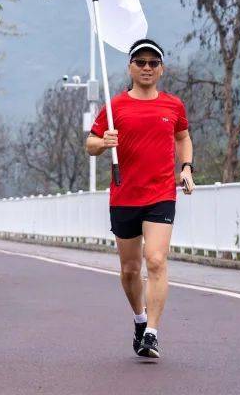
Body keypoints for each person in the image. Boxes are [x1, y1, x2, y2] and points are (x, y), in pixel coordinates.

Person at [85, 38, 194, 360]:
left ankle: (152, 333)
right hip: (124, 195)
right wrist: (103, 142)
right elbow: (90, 144)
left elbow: (183, 137)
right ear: (131, 67)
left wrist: (186, 167)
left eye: (153, 63)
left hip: (161, 194)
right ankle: (139, 319)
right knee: (130, 269)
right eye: (141, 62)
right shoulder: (115, 106)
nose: (147, 68)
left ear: (161, 69)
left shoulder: (173, 105)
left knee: (157, 260)